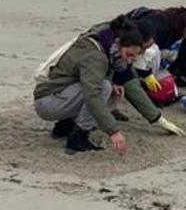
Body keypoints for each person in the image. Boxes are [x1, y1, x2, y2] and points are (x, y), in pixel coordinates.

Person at [33, 15, 143, 154]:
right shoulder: (95, 56)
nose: (128, 61)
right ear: (118, 42)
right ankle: (78, 137)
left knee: (106, 88)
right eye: (129, 54)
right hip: (48, 102)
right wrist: (113, 131)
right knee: (103, 88)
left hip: (52, 95)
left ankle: (64, 127)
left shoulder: (96, 42)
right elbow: (93, 95)